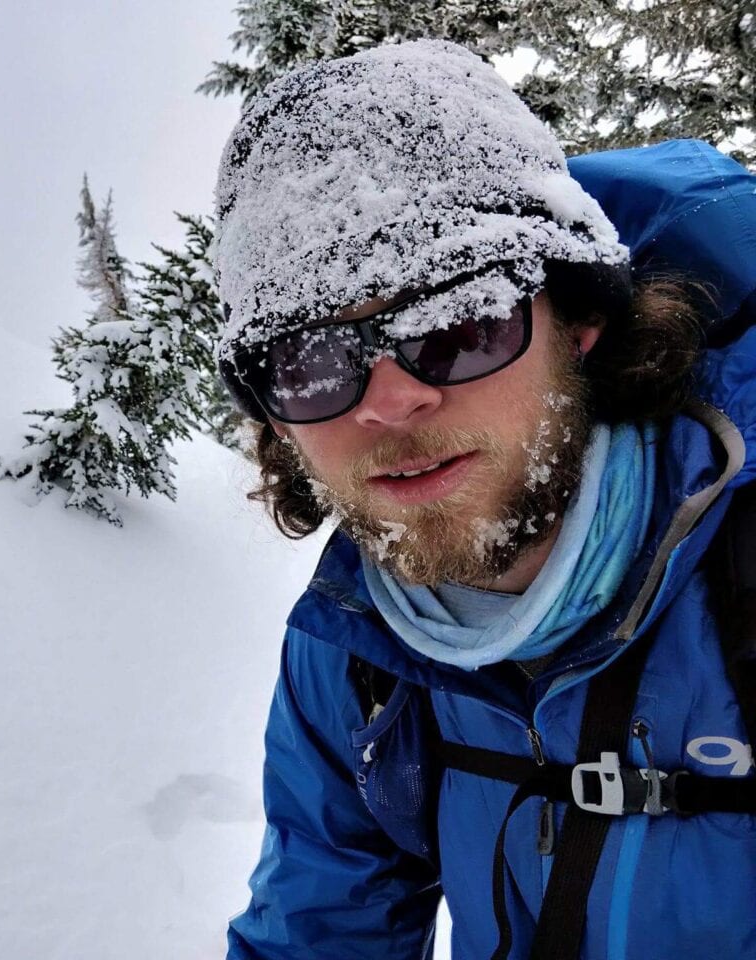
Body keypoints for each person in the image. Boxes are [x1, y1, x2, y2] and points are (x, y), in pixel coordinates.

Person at [213, 40, 756, 960]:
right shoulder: (357, 647)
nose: (389, 401)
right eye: (310, 364)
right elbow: (318, 928)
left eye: (456, 324)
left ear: (581, 320)